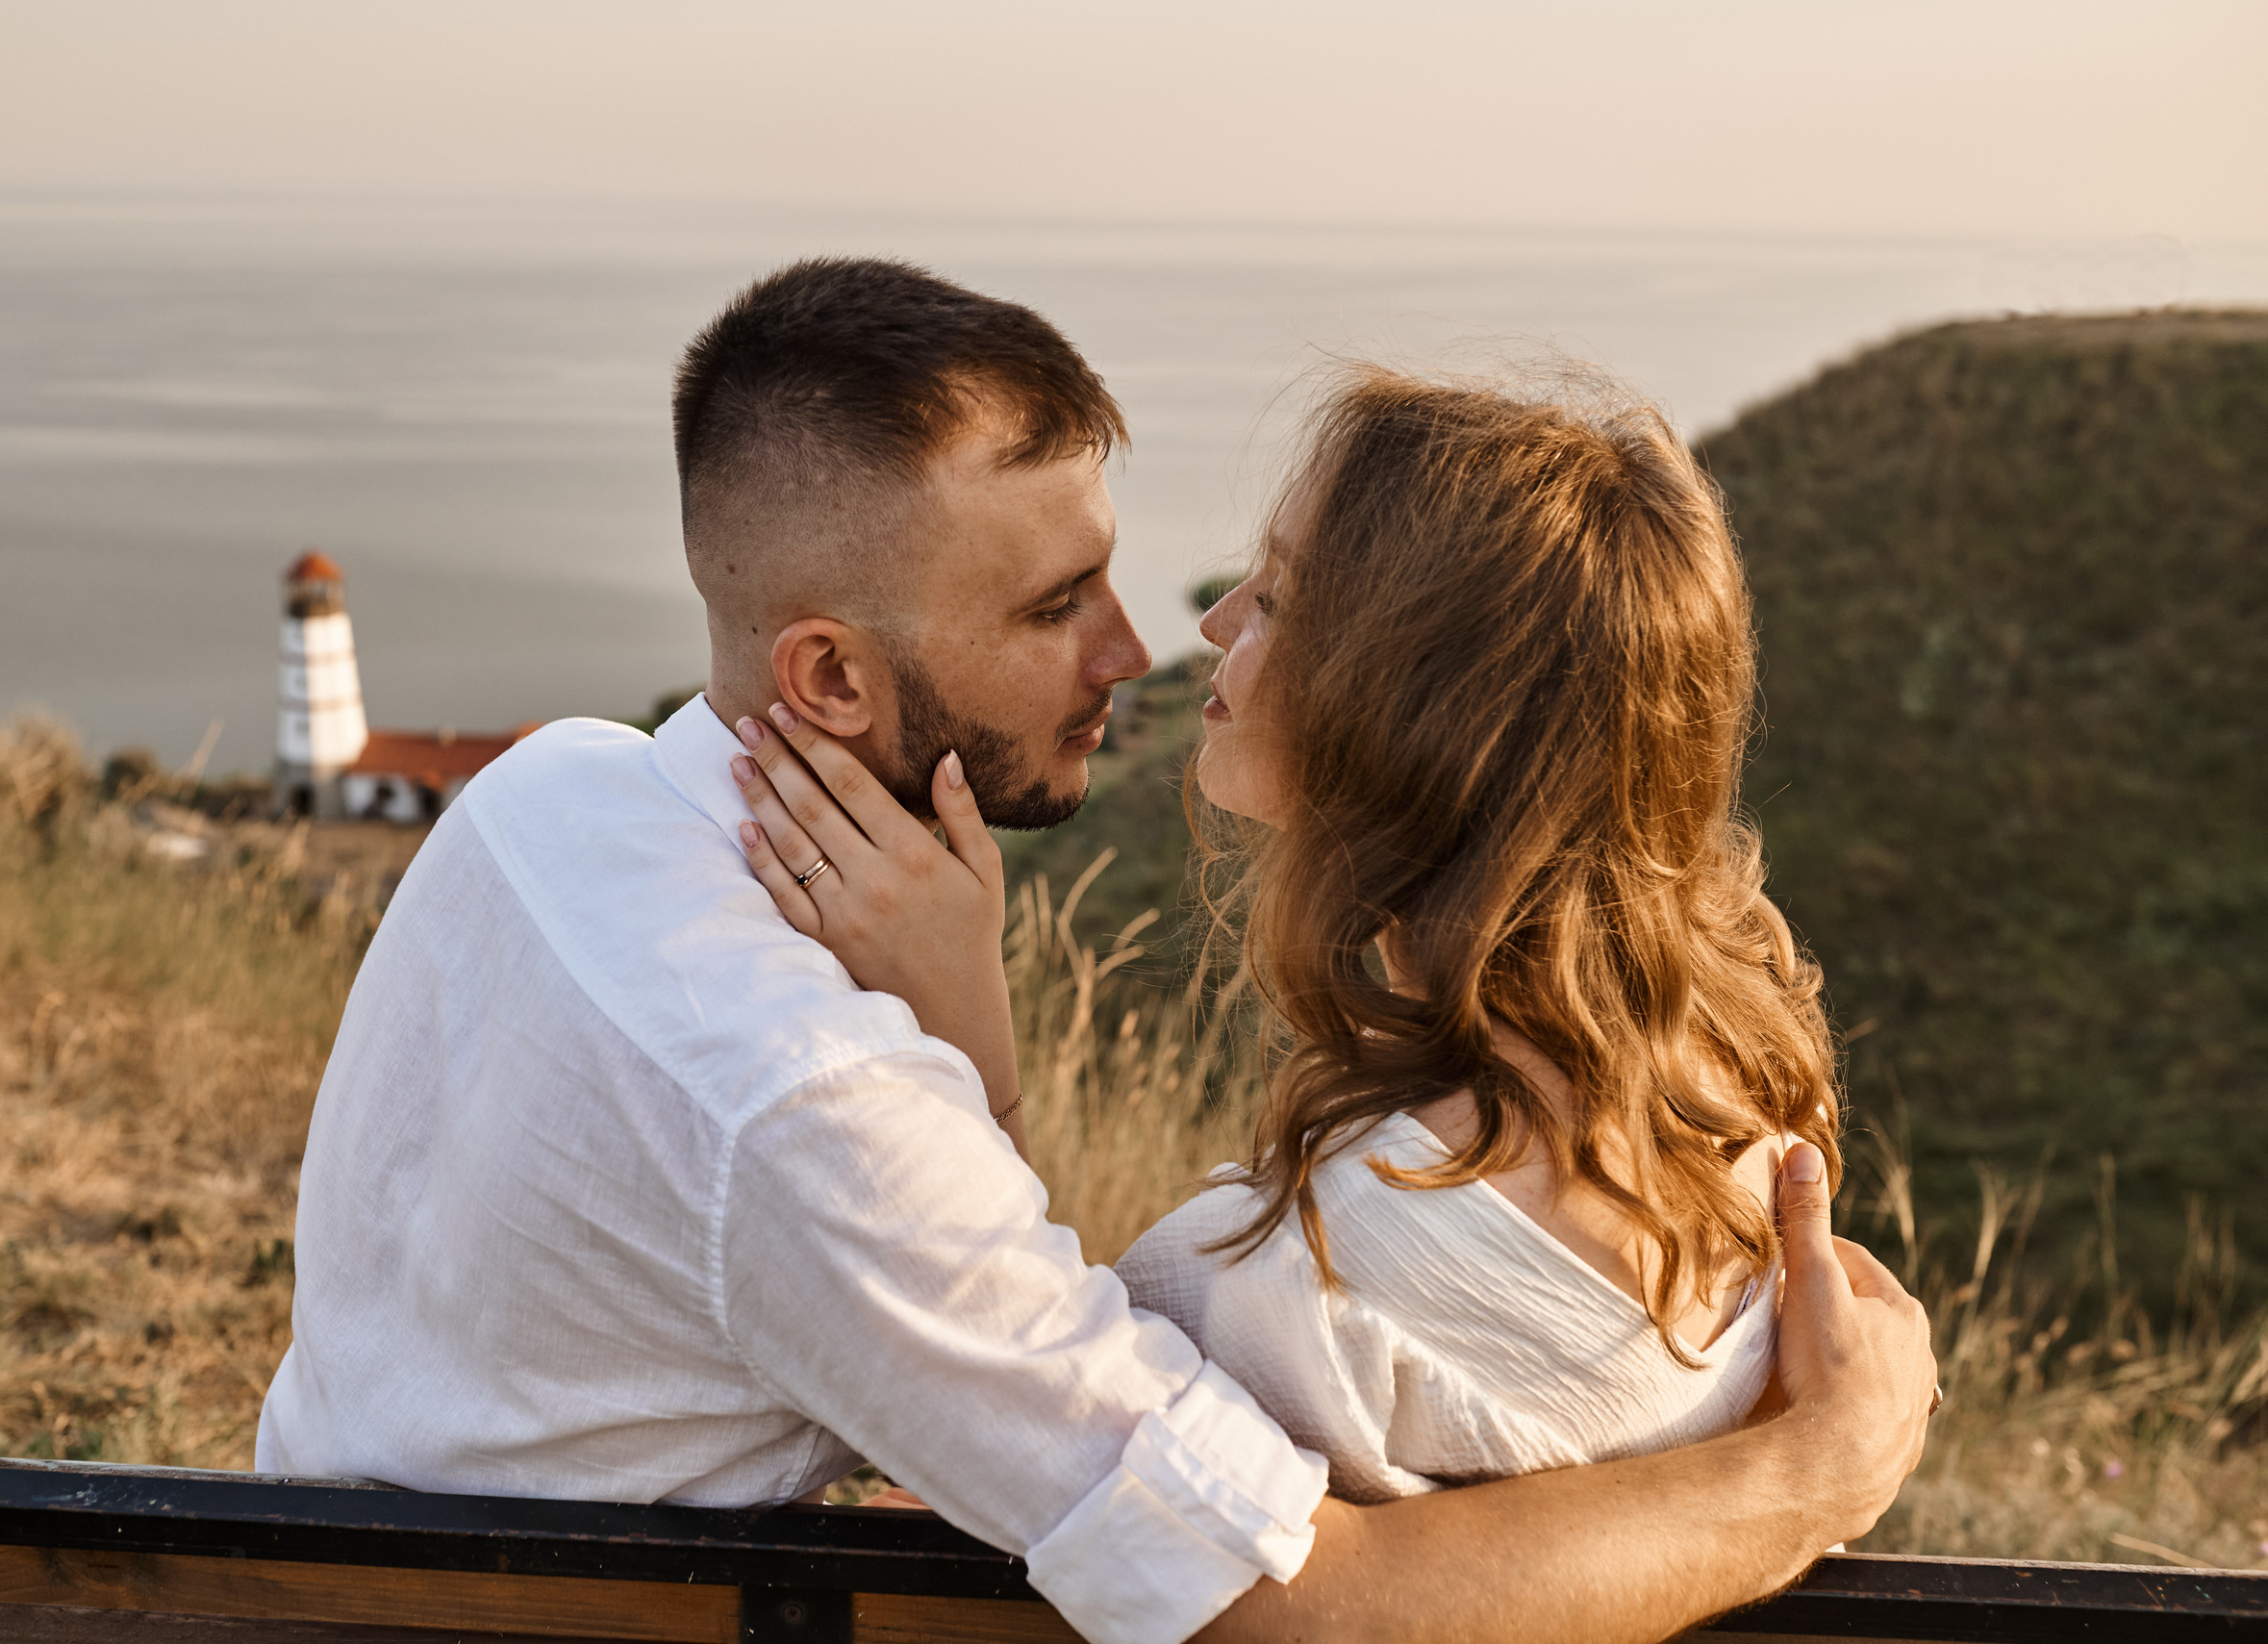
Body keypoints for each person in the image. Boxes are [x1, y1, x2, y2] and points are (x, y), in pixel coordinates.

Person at [261, 257, 1935, 1644]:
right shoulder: (813, 1106)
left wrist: (949, 1059)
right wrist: (1825, 1462)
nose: (1143, 646)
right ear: (832, 681)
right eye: (1056, 603)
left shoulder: (541, 791)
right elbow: (1285, 1603)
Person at [746, 363, 1843, 1508]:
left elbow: (1002, 1478)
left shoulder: (1310, 1279)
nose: (1214, 620)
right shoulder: (1747, 1108)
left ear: (1406, 708)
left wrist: (964, 1041)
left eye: (1275, 597)